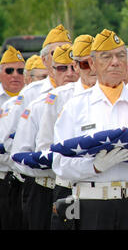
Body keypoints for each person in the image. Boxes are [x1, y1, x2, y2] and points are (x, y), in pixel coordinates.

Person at [51, 29, 128, 230]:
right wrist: (93, 167)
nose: (115, 62)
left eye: (120, 56)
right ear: (92, 64)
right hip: (92, 204)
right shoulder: (75, 106)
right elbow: (60, 163)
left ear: (126, 63)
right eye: (106, 56)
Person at [0, 24, 71, 230]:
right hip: (42, 185)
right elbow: (13, 144)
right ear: (44, 60)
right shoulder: (32, 93)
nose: (63, 56)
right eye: (56, 53)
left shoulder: (84, 91)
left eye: (69, 52)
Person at [11, 44, 79, 230]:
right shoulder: (39, 104)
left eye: (74, 67)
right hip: (44, 186)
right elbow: (19, 154)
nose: (70, 73)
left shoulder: (88, 102)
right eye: (62, 68)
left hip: (77, 188)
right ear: (52, 70)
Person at [34, 34, 96, 229]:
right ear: (76, 66)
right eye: (85, 64)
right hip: (69, 187)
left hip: (101, 192)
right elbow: (45, 146)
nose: (92, 69)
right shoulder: (59, 97)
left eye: (96, 62)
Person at [0, 46, 26, 229]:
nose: (15, 75)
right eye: (9, 70)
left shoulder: (31, 99)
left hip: (24, 179)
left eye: (20, 71)